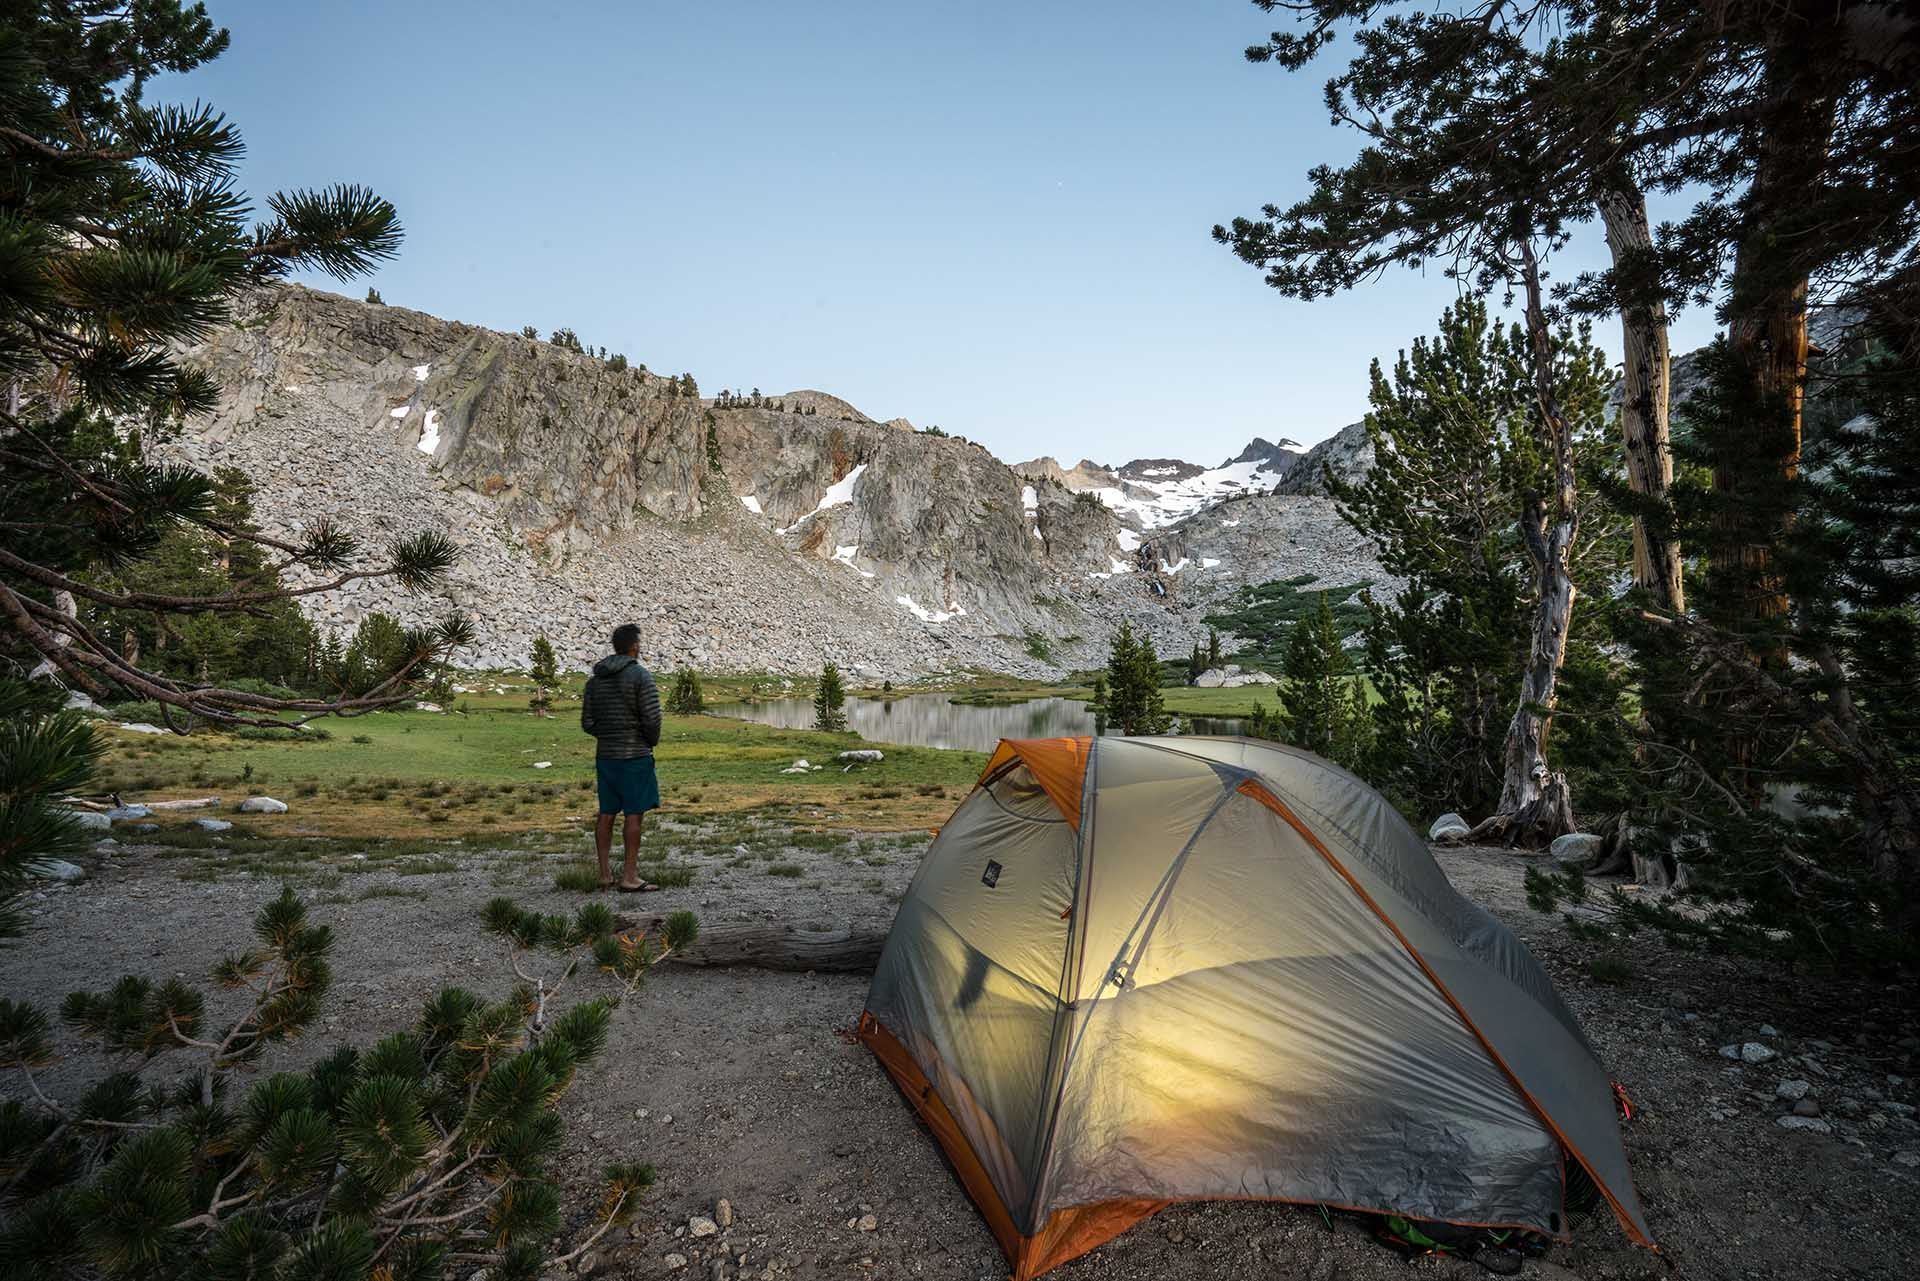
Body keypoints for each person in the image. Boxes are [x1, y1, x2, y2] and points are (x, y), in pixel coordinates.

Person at [580, 622, 663, 892]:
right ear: (635, 646)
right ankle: (630, 876)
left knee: (606, 813)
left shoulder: (596, 680)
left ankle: (604, 874)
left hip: (606, 756)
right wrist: (648, 740)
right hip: (635, 755)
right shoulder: (641, 676)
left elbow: (587, 722)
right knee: (634, 815)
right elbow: (652, 718)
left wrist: (607, 735)